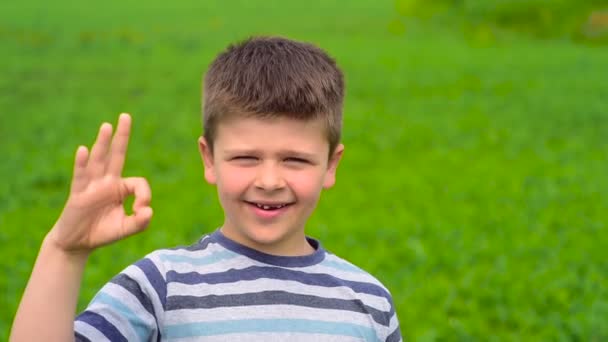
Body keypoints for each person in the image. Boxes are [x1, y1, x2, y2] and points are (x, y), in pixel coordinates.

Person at [10, 36, 402, 341]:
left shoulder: (369, 301)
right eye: (245, 158)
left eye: (295, 160)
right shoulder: (161, 286)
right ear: (209, 159)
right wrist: (64, 251)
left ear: (331, 165)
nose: (269, 181)